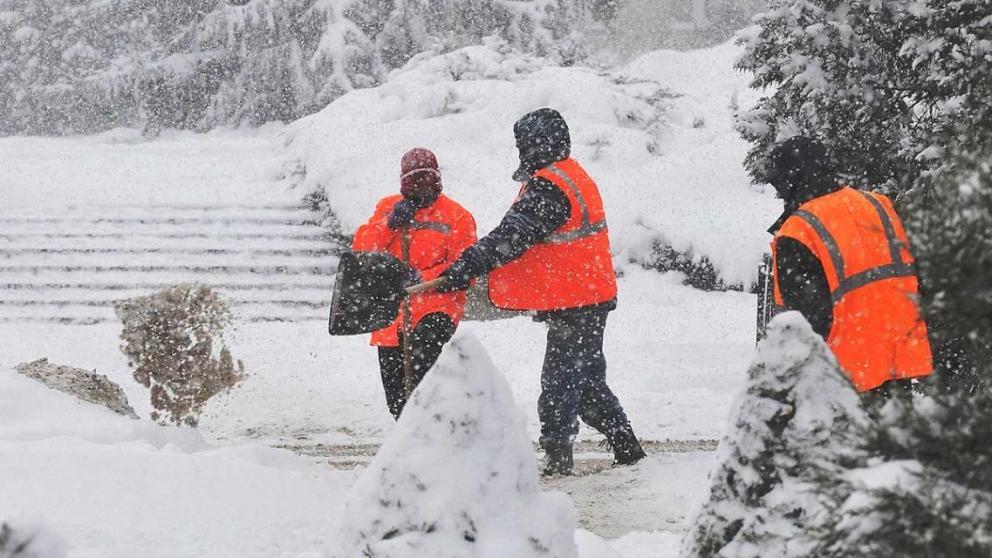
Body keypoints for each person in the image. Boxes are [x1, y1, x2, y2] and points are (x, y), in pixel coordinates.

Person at [436, 108, 646, 476]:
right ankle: (626, 448)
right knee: (585, 380)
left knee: (560, 380)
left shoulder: (551, 186)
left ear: (534, 144)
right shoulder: (569, 175)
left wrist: (467, 266)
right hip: (587, 295)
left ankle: (558, 456)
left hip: (577, 301)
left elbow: (512, 236)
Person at [766, 136, 933, 397]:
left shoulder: (798, 231)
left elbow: (808, 320)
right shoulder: (879, 204)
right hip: (896, 361)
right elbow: (916, 274)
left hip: (842, 374)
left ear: (792, 178)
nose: (778, 193)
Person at [352, 148, 477, 419]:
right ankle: (410, 442)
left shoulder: (457, 216)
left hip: (436, 307)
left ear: (437, 180)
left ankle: (434, 430)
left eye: (426, 181)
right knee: (397, 399)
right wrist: (390, 224)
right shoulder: (388, 207)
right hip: (391, 314)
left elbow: (465, 267)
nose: (421, 188)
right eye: (413, 182)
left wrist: (423, 280)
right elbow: (362, 249)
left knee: (421, 373)